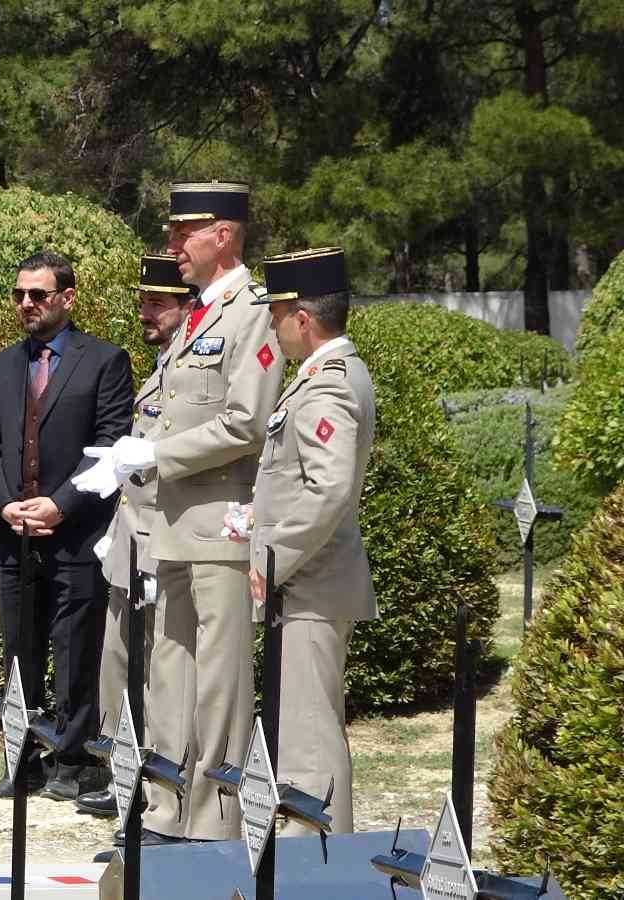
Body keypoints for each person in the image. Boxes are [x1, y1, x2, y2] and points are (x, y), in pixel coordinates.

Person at [92, 181, 285, 846]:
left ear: (223, 235)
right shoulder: (201, 313)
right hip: (173, 522)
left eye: (185, 231)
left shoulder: (253, 313)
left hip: (218, 524)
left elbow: (246, 422)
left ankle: (214, 820)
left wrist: (155, 454)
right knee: (168, 676)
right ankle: (163, 810)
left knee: (218, 682)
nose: (172, 243)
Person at [0, 250, 134, 801]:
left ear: (67, 297)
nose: (26, 303)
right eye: (19, 294)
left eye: (37, 294)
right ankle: (21, 760)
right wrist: (5, 504)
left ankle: (73, 760)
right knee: (19, 649)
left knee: (74, 649)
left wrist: (61, 504)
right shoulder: (2, 366)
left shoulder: (104, 361)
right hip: (14, 533)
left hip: (77, 531)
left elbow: (111, 444)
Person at [233, 247, 377, 835]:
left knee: (309, 735)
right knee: (302, 726)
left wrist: (273, 555)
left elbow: (330, 488)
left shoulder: (327, 387)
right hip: (311, 579)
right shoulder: (326, 376)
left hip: (311, 582)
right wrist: (260, 516)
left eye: (276, 313)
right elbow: (303, 482)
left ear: (303, 318)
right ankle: (308, 852)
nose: (271, 324)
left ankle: (315, 857)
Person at [74, 254, 196, 820]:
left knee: (156, 667)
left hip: (162, 536)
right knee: (118, 660)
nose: (146, 313)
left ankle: (155, 783)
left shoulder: (189, 371)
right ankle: (123, 773)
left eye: (158, 304)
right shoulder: (162, 365)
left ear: (186, 308)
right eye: (143, 302)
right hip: (130, 534)